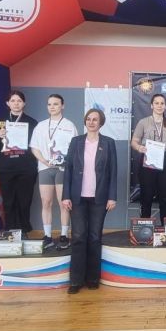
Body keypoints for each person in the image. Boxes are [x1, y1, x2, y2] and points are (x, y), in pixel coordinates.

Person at [62, 108, 117, 293]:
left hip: (99, 198)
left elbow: (113, 171)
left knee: (94, 237)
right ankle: (76, 281)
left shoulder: (108, 143)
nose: (91, 122)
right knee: (78, 236)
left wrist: (112, 196)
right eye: (88, 119)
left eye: (95, 119)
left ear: (101, 123)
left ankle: (93, 278)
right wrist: (66, 195)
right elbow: (68, 169)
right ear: (85, 121)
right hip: (77, 197)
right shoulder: (76, 141)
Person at [30, 94, 78, 250]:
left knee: (64, 203)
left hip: (63, 169)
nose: (52, 107)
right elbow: (34, 147)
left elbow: (75, 148)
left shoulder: (70, 125)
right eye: (49, 104)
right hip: (45, 168)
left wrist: (66, 161)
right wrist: (44, 161)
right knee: (46, 202)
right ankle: (47, 236)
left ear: (62, 106)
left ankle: (64, 235)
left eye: (56, 104)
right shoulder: (41, 126)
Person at [0, 90, 38, 236]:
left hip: (26, 167)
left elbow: (36, 145)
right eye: (13, 101)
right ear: (7, 103)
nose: (16, 104)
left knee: (24, 200)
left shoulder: (32, 122)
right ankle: (10, 232)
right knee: (8, 201)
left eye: (19, 101)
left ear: (24, 103)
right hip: (6, 168)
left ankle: (24, 231)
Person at [131, 94, 166, 223]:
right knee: (146, 196)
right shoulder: (143, 122)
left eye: (162, 103)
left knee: (165, 197)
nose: (159, 106)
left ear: (165, 106)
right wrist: (139, 147)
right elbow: (134, 141)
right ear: (152, 105)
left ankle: (165, 229)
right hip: (148, 159)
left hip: (165, 159)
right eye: (156, 103)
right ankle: (145, 228)